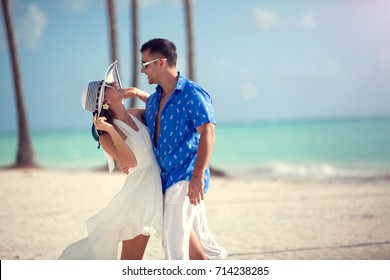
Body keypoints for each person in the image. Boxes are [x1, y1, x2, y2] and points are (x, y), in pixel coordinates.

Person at [126, 38, 227, 260]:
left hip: (186, 178)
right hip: (164, 178)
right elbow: (144, 116)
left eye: (145, 64)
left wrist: (198, 176)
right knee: (202, 245)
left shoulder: (192, 94)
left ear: (161, 63)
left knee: (173, 244)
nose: (142, 70)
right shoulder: (154, 100)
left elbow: (208, 133)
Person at [58, 62, 163, 260]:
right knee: (131, 261)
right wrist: (111, 130)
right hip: (141, 194)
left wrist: (138, 92)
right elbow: (130, 162)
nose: (116, 84)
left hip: (156, 185)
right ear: (105, 98)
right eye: (110, 86)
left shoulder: (135, 113)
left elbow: (163, 110)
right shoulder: (106, 136)